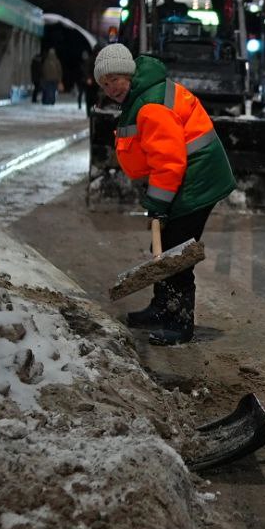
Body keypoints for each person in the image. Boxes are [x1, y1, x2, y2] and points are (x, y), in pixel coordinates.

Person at [93, 43, 236, 345]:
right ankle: (161, 308)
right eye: (104, 84)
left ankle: (179, 322)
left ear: (128, 74)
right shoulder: (142, 96)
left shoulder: (150, 106)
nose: (110, 88)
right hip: (187, 177)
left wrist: (158, 204)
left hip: (196, 180)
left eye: (114, 79)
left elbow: (169, 162)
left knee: (175, 253)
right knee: (163, 246)